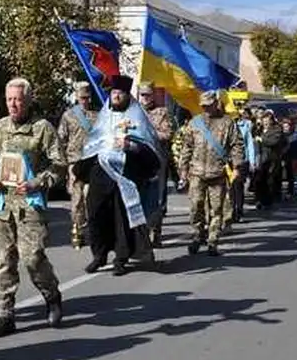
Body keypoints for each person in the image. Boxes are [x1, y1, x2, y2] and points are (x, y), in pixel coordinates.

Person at [0, 78, 66, 339]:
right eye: (9, 99)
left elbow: (59, 164)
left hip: (29, 205)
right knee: (3, 261)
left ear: (28, 100)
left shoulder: (42, 129)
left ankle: (52, 295)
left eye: (18, 99)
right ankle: (5, 314)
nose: (13, 104)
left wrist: (37, 182)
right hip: (2, 205)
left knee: (33, 258)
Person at [74, 75, 165, 275]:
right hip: (102, 173)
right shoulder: (104, 115)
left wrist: (130, 146)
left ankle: (121, 259)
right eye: (114, 93)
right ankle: (99, 255)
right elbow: (93, 142)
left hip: (126, 174)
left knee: (121, 217)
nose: (116, 96)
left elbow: (149, 147)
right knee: (96, 213)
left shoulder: (137, 117)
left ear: (126, 95)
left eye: (120, 93)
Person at [176, 90, 246, 256]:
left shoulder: (227, 123)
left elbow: (237, 145)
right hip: (197, 173)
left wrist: (237, 167)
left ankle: (213, 240)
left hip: (217, 173)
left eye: (209, 105)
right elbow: (187, 147)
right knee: (195, 207)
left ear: (216, 104)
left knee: (216, 209)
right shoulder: (195, 123)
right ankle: (198, 234)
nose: (206, 109)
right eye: (203, 106)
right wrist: (183, 169)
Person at [57, 82, 98, 250]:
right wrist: (63, 164)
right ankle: (77, 229)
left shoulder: (97, 115)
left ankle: (91, 228)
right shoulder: (69, 116)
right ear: (76, 97)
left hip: (92, 160)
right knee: (77, 199)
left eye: (87, 97)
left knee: (91, 197)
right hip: (75, 161)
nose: (85, 101)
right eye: (82, 98)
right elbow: (61, 140)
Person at [138, 82, 176, 247]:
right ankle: (140, 232)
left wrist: (148, 133)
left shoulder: (162, 112)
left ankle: (155, 231)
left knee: (157, 197)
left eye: (148, 95)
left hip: (156, 160)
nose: (145, 98)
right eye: (142, 95)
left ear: (153, 95)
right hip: (137, 159)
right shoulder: (133, 112)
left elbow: (168, 134)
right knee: (138, 197)